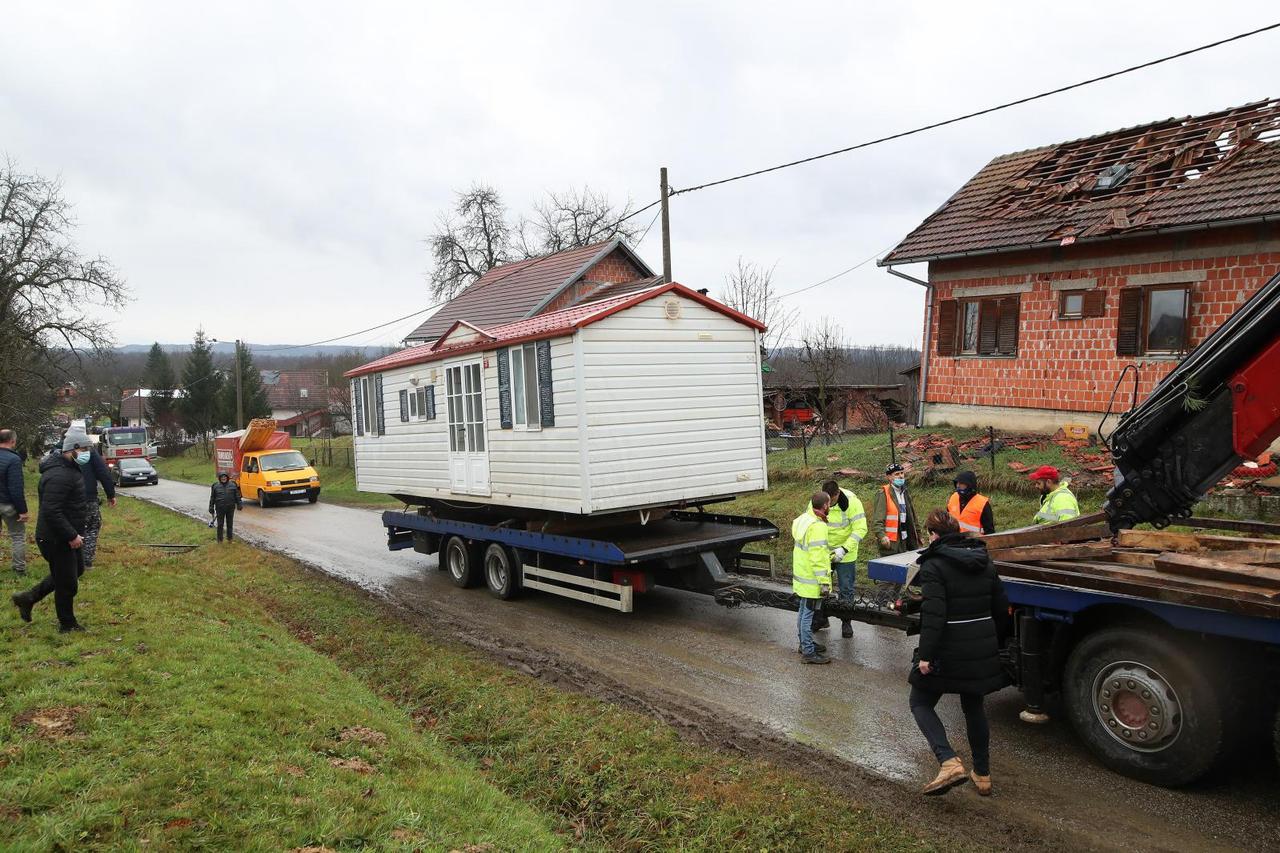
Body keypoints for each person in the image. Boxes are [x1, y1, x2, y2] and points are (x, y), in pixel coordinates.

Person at [909, 509, 1010, 796]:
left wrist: (925, 656)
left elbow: (934, 616)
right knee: (973, 706)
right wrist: (991, 640)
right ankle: (983, 773)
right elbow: (1001, 608)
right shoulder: (983, 560)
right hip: (980, 645)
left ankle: (948, 761)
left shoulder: (934, 566)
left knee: (920, 701)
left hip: (948, 648)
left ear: (934, 535)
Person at [11, 433, 91, 632]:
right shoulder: (59, 475)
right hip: (55, 537)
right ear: (71, 450)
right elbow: (51, 510)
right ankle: (67, 624)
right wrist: (71, 535)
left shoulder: (69, 469)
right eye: (84, 450)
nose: (87, 454)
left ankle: (28, 598)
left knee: (75, 571)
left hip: (67, 533)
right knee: (67, 583)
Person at [822, 478, 868, 638]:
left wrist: (844, 548)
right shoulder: (819, 500)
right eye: (826, 501)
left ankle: (846, 622)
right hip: (824, 552)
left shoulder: (852, 502)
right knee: (821, 587)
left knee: (846, 589)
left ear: (838, 494)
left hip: (845, 553)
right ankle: (822, 618)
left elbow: (861, 529)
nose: (828, 505)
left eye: (832, 500)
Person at [792, 490, 833, 664]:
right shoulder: (817, 526)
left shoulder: (803, 519)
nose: (830, 506)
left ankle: (805, 644)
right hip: (812, 580)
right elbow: (817, 556)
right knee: (807, 614)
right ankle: (808, 652)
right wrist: (824, 582)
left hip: (802, 576)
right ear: (825, 505)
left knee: (803, 612)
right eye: (829, 504)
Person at [73, 435, 116, 571]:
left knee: (72, 528)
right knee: (92, 527)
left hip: (68, 500)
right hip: (89, 498)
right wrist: (111, 495)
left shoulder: (62, 454)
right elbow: (103, 474)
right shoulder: (91, 454)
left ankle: (72, 560)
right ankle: (86, 561)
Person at [872, 463, 922, 553]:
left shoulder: (905, 492)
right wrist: (882, 536)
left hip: (907, 539)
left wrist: (918, 534)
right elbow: (877, 520)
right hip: (891, 543)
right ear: (889, 477)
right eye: (897, 474)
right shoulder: (883, 494)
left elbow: (913, 517)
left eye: (902, 473)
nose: (901, 476)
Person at [0, 429, 29, 575]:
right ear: (12, 441)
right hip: (7, 504)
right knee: (17, 536)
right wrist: (22, 510)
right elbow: (16, 488)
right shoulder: (14, 459)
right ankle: (19, 569)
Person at [947, 470, 995, 535]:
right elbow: (946, 521)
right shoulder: (953, 498)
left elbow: (990, 531)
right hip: (954, 541)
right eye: (957, 483)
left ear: (969, 485)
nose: (958, 486)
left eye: (961, 483)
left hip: (975, 542)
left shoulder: (982, 503)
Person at [209, 472, 243, 542]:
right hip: (220, 508)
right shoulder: (215, 486)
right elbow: (212, 498)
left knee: (230, 524)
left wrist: (239, 504)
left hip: (230, 508)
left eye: (225, 477)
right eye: (222, 477)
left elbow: (237, 496)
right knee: (220, 524)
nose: (223, 478)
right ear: (219, 478)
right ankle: (219, 540)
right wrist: (211, 507)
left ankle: (229, 539)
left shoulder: (233, 485)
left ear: (227, 477)